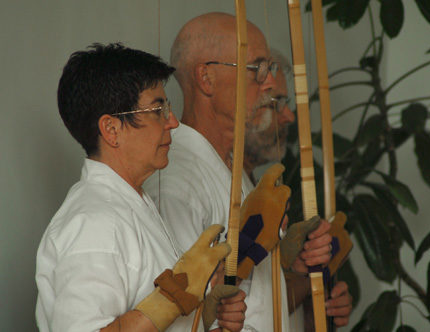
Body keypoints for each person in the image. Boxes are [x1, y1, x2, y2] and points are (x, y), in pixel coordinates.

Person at [144, 13, 350, 330]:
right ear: (206, 78)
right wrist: (249, 251)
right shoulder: (176, 180)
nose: (269, 82)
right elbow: (185, 314)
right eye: (258, 69)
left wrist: (298, 272)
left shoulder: (231, 170)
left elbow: (256, 304)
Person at [35, 43, 246, 332]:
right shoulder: (94, 222)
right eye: (158, 109)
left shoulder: (132, 204)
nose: (172, 122)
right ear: (111, 129)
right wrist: (171, 299)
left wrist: (211, 311)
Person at [245, 49, 353, 329]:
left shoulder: (250, 184)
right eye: (277, 102)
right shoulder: (186, 184)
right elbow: (228, 308)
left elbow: (263, 305)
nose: (289, 117)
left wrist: (309, 285)